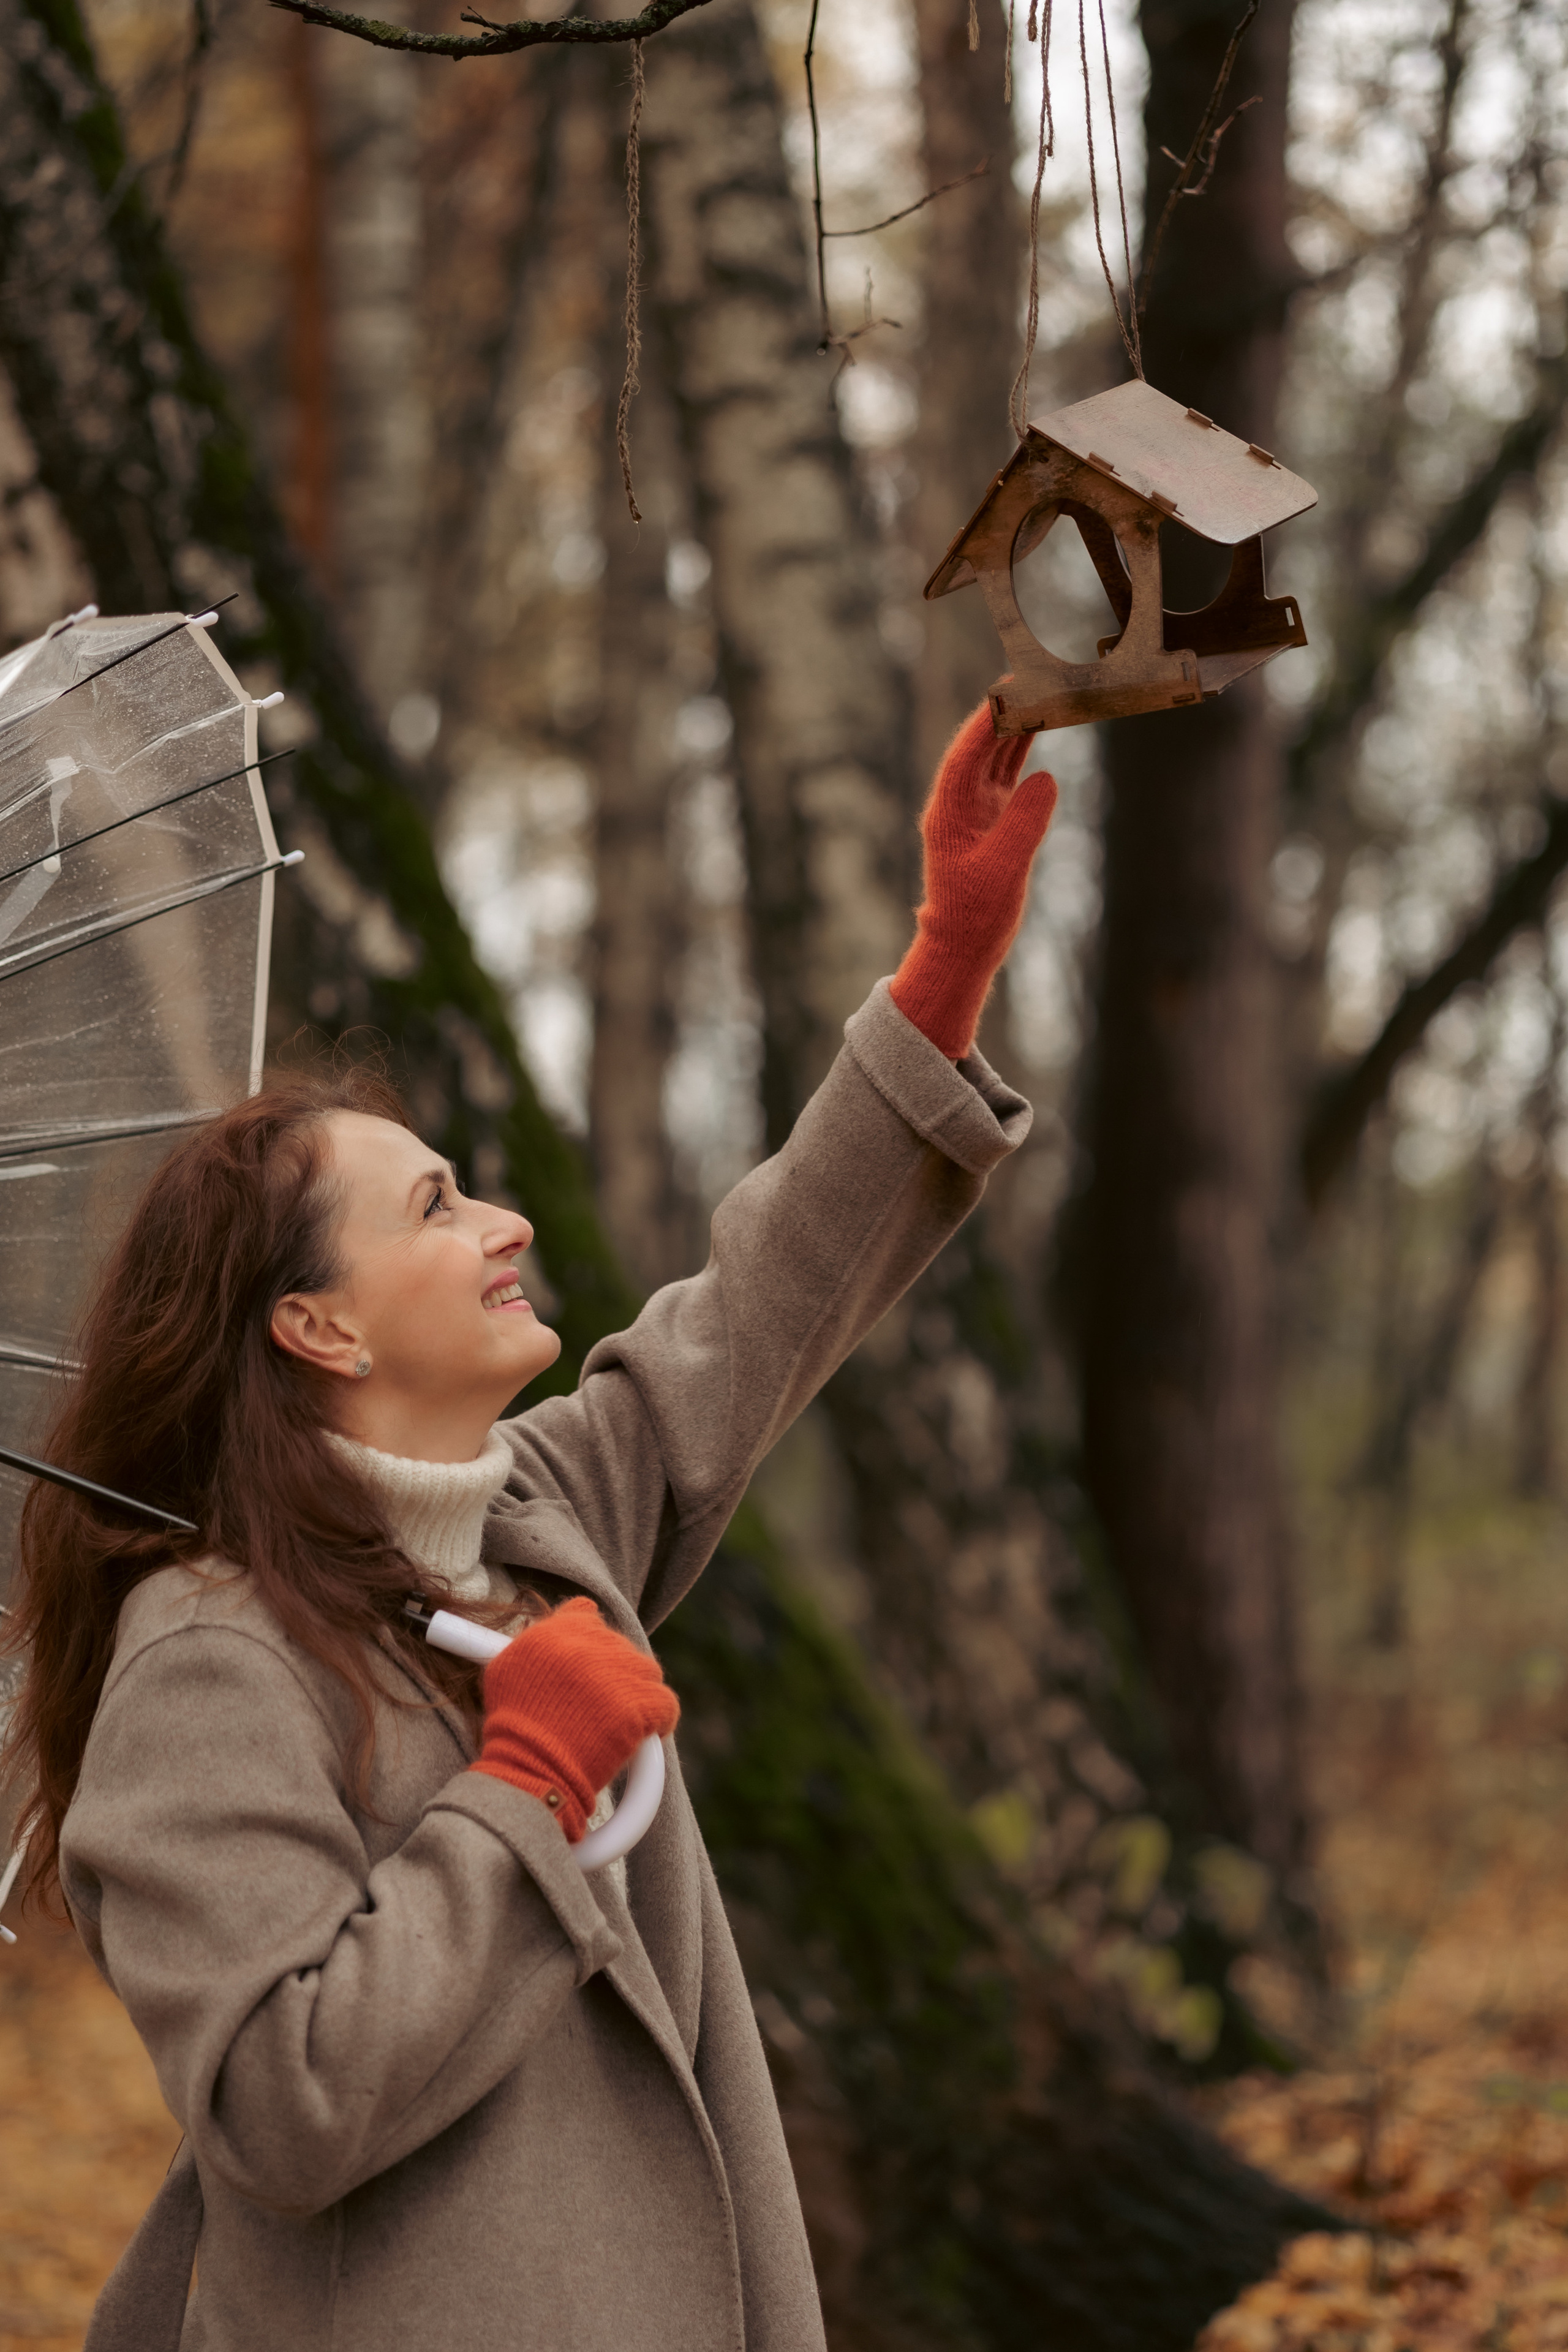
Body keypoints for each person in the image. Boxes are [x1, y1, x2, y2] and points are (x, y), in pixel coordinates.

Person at [1, 706, 1057, 2352]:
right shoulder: (206, 1659)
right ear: (317, 1330)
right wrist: (529, 1790)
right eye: (434, 1206)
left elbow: (759, 1313)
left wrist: (941, 976)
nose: (501, 1224)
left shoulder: (538, 1516)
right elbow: (281, 2104)